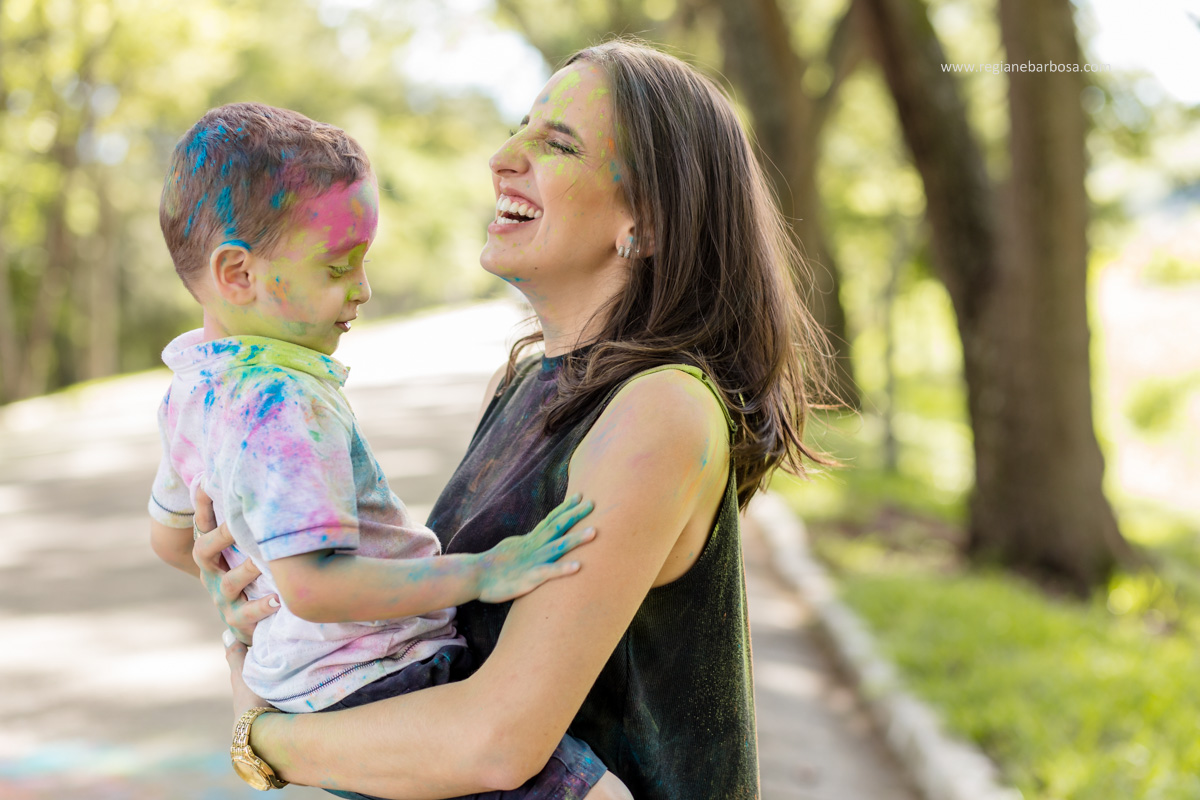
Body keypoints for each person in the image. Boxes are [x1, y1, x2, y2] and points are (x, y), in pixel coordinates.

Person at [193, 40, 832, 800]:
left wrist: (261, 735)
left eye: (556, 143)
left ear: (648, 223)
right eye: (519, 128)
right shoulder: (534, 386)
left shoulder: (660, 410)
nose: (502, 158)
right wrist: (275, 620)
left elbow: (493, 742)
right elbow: (440, 657)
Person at [148, 102, 617, 798]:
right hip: (387, 680)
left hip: (310, 691)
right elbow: (317, 587)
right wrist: (483, 573)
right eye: (339, 267)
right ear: (238, 274)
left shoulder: (193, 388)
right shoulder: (282, 404)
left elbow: (169, 536)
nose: (361, 290)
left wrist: (243, 587)